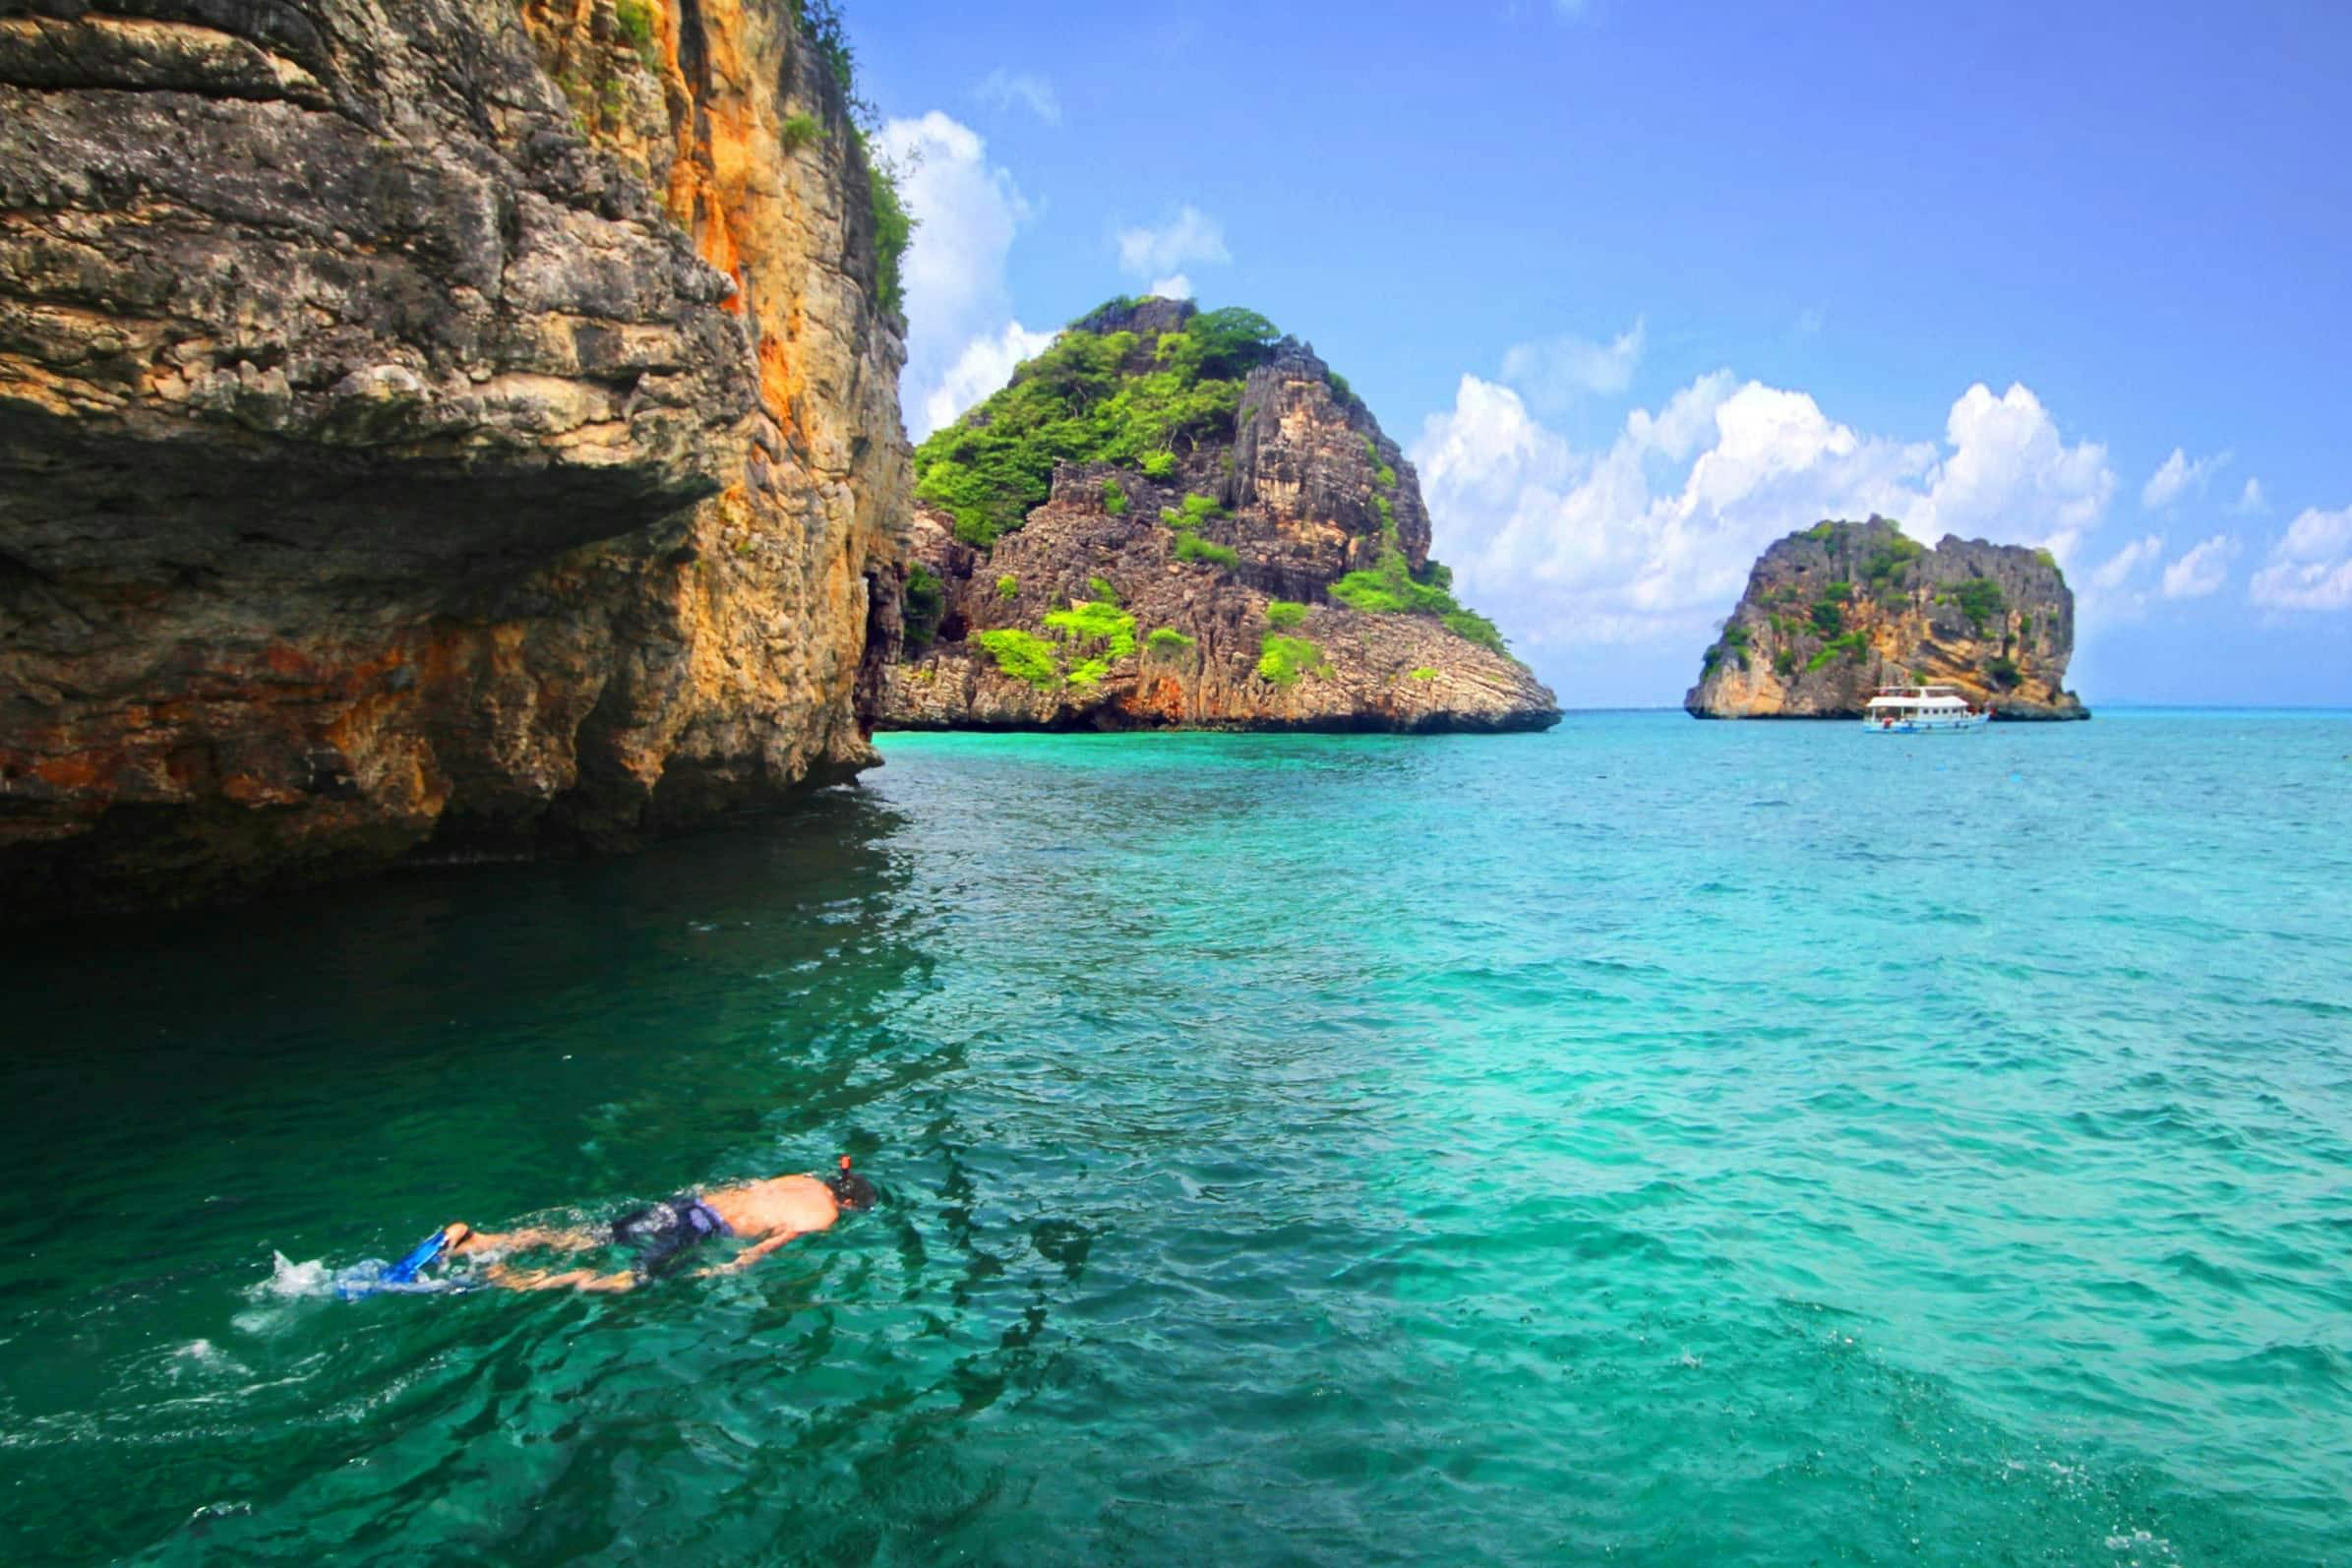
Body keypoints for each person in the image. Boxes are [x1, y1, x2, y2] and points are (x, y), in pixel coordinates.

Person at [433, 1157, 875, 1293]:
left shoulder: (800, 1180)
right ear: (849, 1205)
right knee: (628, 1281)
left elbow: (752, 1186)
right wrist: (730, 1268)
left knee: (589, 1235)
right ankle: (521, 1281)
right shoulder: (825, 1216)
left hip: (686, 1204)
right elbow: (768, 1244)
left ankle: (479, 1241)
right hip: (701, 1230)